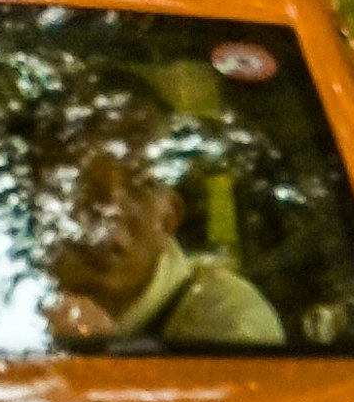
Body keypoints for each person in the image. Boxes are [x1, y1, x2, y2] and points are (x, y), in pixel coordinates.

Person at [41, 115, 285, 353]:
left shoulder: (228, 321)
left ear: (170, 219)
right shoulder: (18, 307)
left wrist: (105, 357)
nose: (109, 221)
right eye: (82, 187)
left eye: (139, 187)